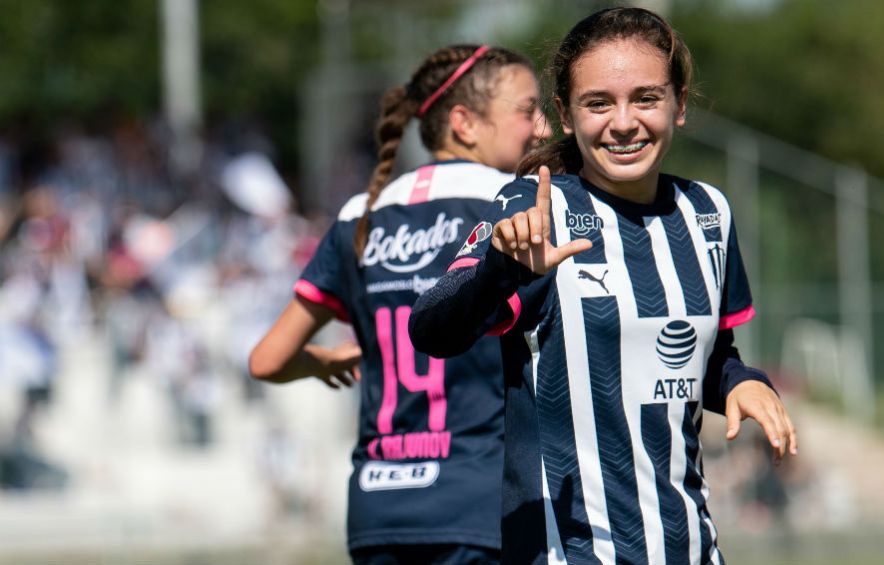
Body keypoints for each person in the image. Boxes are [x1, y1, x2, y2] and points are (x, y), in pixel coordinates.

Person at [409, 8, 797, 565]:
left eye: (645, 98)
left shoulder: (708, 213)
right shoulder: (534, 208)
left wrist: (740, 381)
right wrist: (500, 266)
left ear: (679, 104)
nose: (623, 122)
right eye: (598, 103)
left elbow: (701, 357)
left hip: (690, 547)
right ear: (565, 115)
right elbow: (431, 329)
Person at [248, 44, 550, 564]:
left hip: (378, 509)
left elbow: (267, 360)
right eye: (527, 110)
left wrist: (322, 361)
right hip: (479, 504)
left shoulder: (357, 216)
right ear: (465, 123)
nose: (543, 128)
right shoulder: (515, 211)